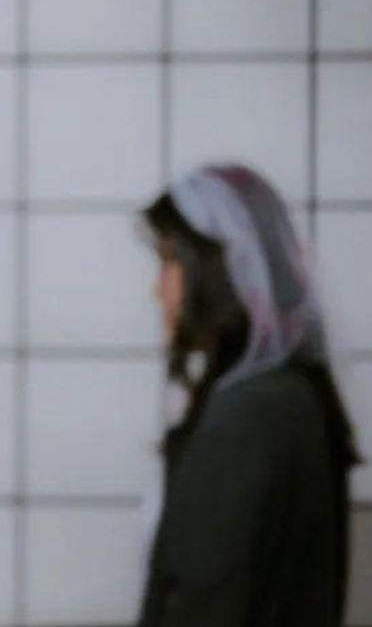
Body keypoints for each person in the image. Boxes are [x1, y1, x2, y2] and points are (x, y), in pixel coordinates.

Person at [138, 165, 358, 627]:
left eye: (169, 261)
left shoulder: (249, 417)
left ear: (219, 268)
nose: (157, 289)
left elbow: (203, 599)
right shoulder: (292, 394)